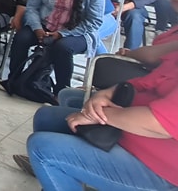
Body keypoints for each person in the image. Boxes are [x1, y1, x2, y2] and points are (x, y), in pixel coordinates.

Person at [21, 31, 178, 190]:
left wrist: (98, 115)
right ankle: (60, 177)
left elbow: (159, 124)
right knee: (45, 117)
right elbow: (145, 82)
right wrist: (106, 94)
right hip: (124, 130)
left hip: (159, 168)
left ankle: (58, 167)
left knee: (42, 149)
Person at [6, 0, 104, 97]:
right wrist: (37, 28)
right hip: (45, 24)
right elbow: (32, 8)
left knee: (62, 47)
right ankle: (13, 80)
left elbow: (93, 22)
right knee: (21, 38)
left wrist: (61, 34)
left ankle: (61, 91)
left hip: (78, 32)